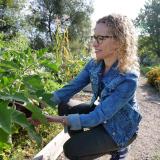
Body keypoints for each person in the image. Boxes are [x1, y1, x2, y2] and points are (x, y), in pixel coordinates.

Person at [32, 14, 142, 160]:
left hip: (121, 128)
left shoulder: (128, 78)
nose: (94, 43)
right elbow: (71, 88)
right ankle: (90, 145)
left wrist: (52, 119)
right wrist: (39, 104)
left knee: (71, 149)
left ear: (119, 41)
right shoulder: (95, 64)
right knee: (66, 106)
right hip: (105, 116)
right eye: (94, 37)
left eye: (100, 38)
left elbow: (98, 116)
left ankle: (118, 147)